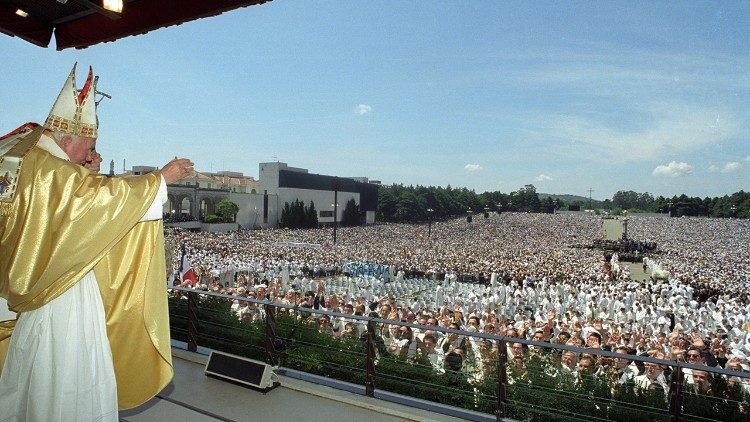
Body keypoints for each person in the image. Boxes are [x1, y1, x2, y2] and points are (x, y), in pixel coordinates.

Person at [0, 64, 194, 421]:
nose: (89, 153)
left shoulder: (29, 158)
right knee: (69, 372)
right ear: (66, 138)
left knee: (39, 370)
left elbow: (58, 216)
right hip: (60, 291)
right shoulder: (50, 168)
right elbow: (88, 202)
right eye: (87, 146)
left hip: (40, 284)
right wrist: (159, 179)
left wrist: (84, 173)